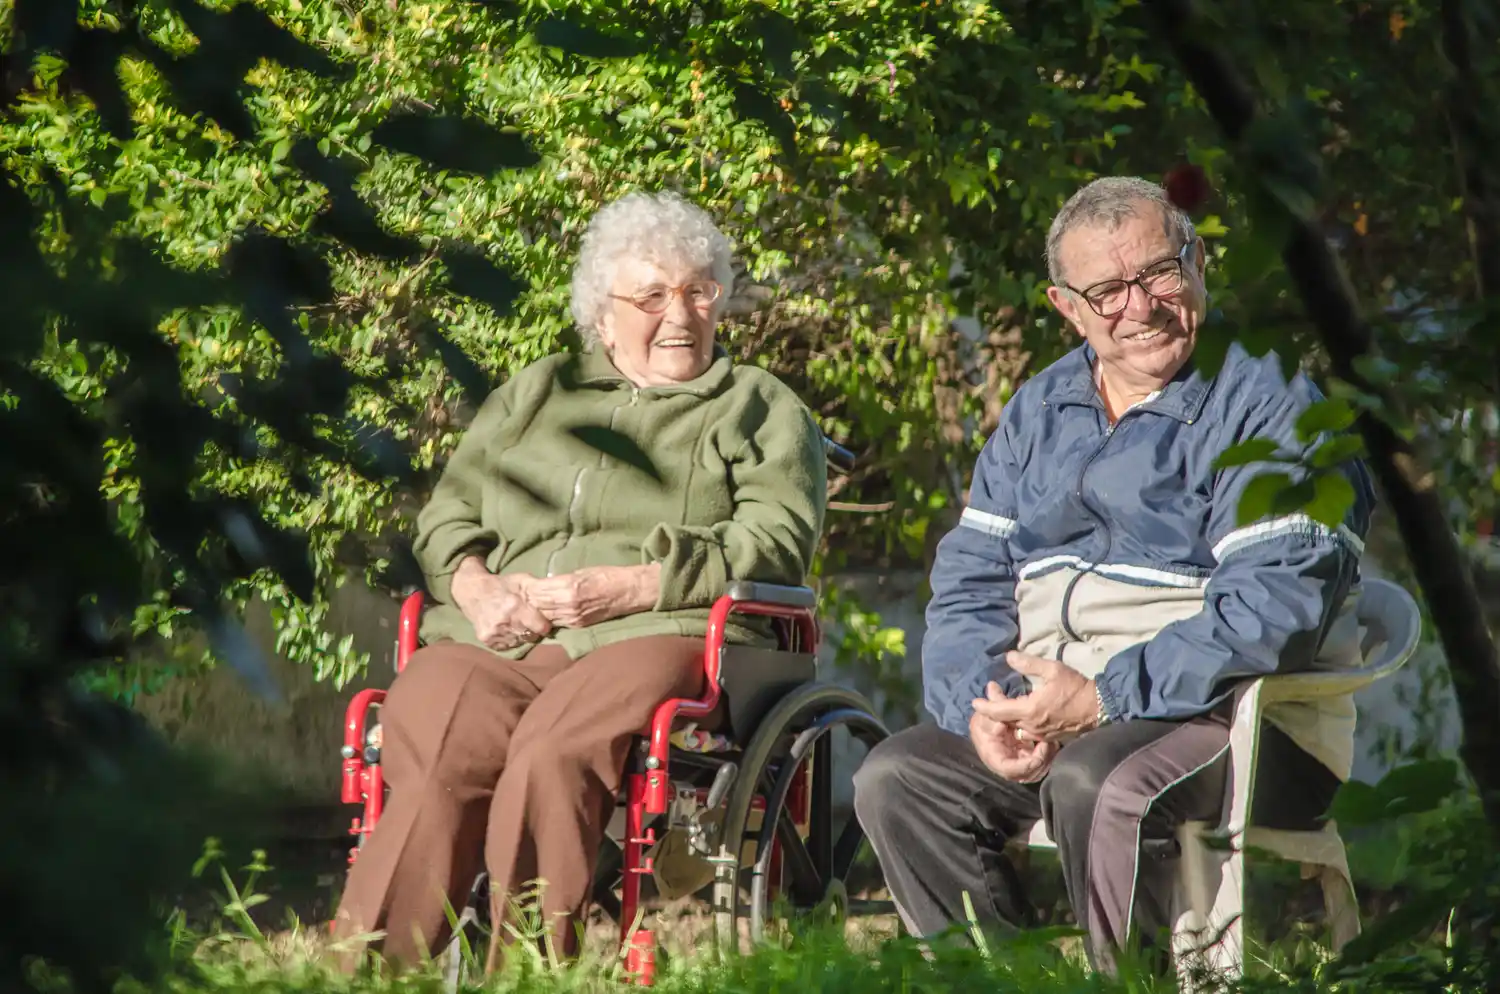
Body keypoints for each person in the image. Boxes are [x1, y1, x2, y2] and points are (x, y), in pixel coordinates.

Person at [853, 176, 1377, 974]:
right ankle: (1004, 985)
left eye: (1159, 273)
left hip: (1238, 719)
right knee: (897, 778)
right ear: (1067, 307)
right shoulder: (1040, 410)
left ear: (1198, 262)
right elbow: (969, 580)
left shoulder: (1271, 400)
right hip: (1060, 719)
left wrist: (1103, 698)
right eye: (1106, 292)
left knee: (1097, 781)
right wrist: (984, 708)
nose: (1140, 306)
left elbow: (1277, 603)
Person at [330, 190, 827, 971]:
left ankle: (523, 974)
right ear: (602, 314)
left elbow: (776, 539)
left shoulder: (755, 405)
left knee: (552, 753)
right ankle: (368, 978)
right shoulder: (537, 393)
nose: (682, 313)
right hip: (501, 634)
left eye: (700, 289)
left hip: (657, 629)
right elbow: (447, 518)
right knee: (434, 750)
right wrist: (476, 589)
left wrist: (637, 584)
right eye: (653, 295)